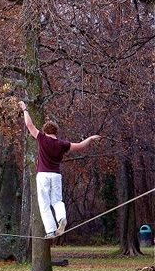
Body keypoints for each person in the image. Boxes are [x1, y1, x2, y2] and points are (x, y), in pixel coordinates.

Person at [18, 101, 101, 239]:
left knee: (44, 203)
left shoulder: (42, 138)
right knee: (57, 201)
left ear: (45, 131)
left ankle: (50, 231)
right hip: (56, 175)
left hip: (43, 175)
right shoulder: (62, 144)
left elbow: (29, 125)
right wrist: (91, 138)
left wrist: (25, 109)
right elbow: (80, 146)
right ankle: (61, 218)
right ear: (56, 132)